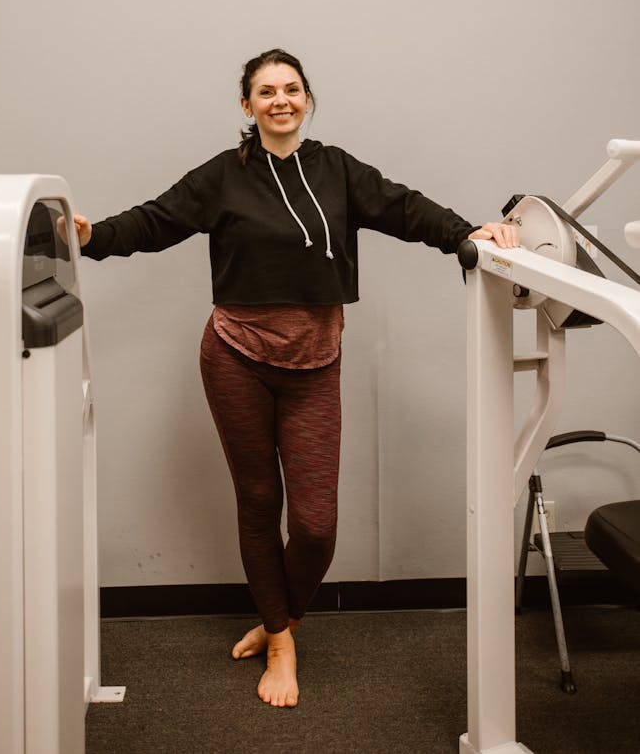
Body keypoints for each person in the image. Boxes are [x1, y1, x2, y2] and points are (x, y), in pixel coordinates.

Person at [63, 48, 519, 709]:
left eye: (292, 88)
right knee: (257, 500)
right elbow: (157, 220)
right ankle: (280, 638)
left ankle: (286, 614)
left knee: (314, 524)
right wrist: (94, 234)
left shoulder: (336, 169)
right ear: (247, 106)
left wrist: (465, 232)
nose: (281, 99)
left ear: (307, 99)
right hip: (234, 356)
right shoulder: (223, 177)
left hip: (314, 360)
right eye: (266, 91)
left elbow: (405, 208)